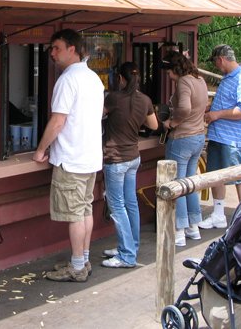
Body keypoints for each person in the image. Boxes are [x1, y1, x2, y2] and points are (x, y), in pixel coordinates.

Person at [33, 29, 104, 282]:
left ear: (72, 49)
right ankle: (82, 259)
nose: (52, 53)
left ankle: (76, 267)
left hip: (71, 158)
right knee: (85, 210)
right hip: (90, 156)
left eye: (57, 48)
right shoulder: (94, 78)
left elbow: (58, 121)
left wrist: (41, 149)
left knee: (75, 214)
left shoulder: (67, 80)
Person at [101, 62, 158, 268]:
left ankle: (127, 255)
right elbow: (153, 125)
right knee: (130, 203)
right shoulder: (145, 100)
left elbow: (98, 115)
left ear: (120, 78)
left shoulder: (114, 98)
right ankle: (131, 245)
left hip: (115, 158)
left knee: (117, 206)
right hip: (134, 156)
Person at [199, 44, 241, 230]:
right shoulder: (227, 78)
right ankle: (218, 214)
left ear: (220, 59)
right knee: (216, 175)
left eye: (215, 62)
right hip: (219, 136)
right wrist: (210, 109)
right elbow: (227, 103)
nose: (215, 66)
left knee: (239, 177)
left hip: (233, 139)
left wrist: (217, 114)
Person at [160, 51, 209, 247]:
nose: (169, 77)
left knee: (177, 185)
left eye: (169, 73)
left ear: (175, 69)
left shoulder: (184, 82)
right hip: (198, 136)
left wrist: (172, 122)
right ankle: (193, 227)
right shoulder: (200, 80)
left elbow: (185, 107)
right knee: (190, 183)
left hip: (182, 137)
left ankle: (178, 230)